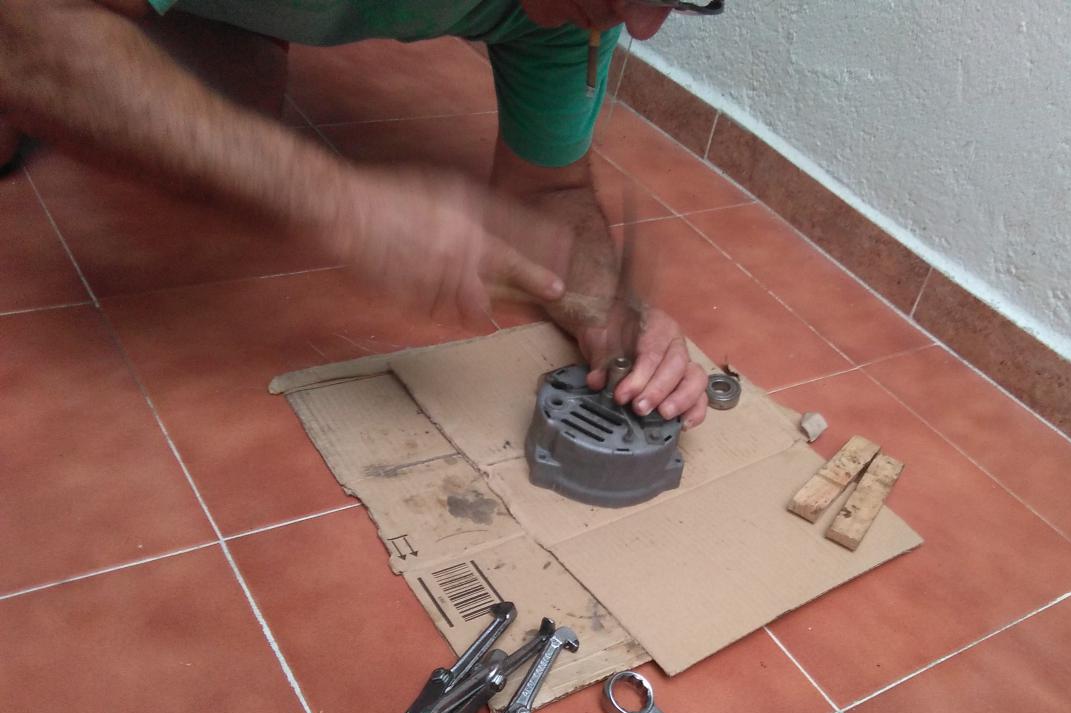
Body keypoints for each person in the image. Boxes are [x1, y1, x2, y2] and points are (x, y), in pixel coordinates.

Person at [0, 0, 712, 425]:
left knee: (229, 114)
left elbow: (548, 191)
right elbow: (26, 26)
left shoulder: (580, 11)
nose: (644, 25)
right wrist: (341, 203)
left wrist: (608, 309)